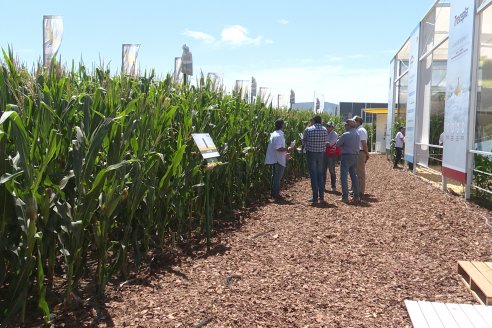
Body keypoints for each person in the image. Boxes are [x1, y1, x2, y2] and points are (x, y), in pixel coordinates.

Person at [302, 115, 329, 203]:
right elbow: (326, 141)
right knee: (320, 174)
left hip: (311, 153)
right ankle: (321, 197)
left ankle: (315, 197)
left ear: (313, 120)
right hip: (321, 154)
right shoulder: (324, 129)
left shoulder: (308, 129)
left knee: (313, 175)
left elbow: (304, 140)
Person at [265, 119, 291, 200]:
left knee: (275, 176)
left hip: (276, 158)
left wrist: (285, 154)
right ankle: (275, 194)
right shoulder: (279, 135)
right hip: (278, 160)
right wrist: (287, 149)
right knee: (277, 177)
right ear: (282, 125)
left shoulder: (274, 134)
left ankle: (273, 193)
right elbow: (278, 148)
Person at [336, 119, 360, 203]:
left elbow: (337, 144)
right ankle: (356, 196)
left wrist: (339, 139)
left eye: (346, 125)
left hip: (346, 156)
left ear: (349, 125)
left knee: (343, 177)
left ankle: (345, 196)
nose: (345, 126)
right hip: (355, 156)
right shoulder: (357, 133)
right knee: (354, 176)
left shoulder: (345, 134)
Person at [353, 116, 369, 197]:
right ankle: (357, 189)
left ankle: (360, 191)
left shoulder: (361, 130)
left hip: (360, 152)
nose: (353, 122)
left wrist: (366, 153)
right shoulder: (358, 130)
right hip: (358, 152)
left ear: (358, 122)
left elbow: (363, 143)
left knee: (360, 173)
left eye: (354, 121)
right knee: (357, 172)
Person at [324, 121, 339, 192]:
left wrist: (321, 142)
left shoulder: (334, 134)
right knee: (323, 171)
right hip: (324, 154)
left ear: (333, 127)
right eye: (327, 126)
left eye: (329, 126)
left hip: (331, 155)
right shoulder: (324, 133)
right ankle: (322, 186)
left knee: (332, 171)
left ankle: (333, 186)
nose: (327, 127)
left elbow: (329, 144)